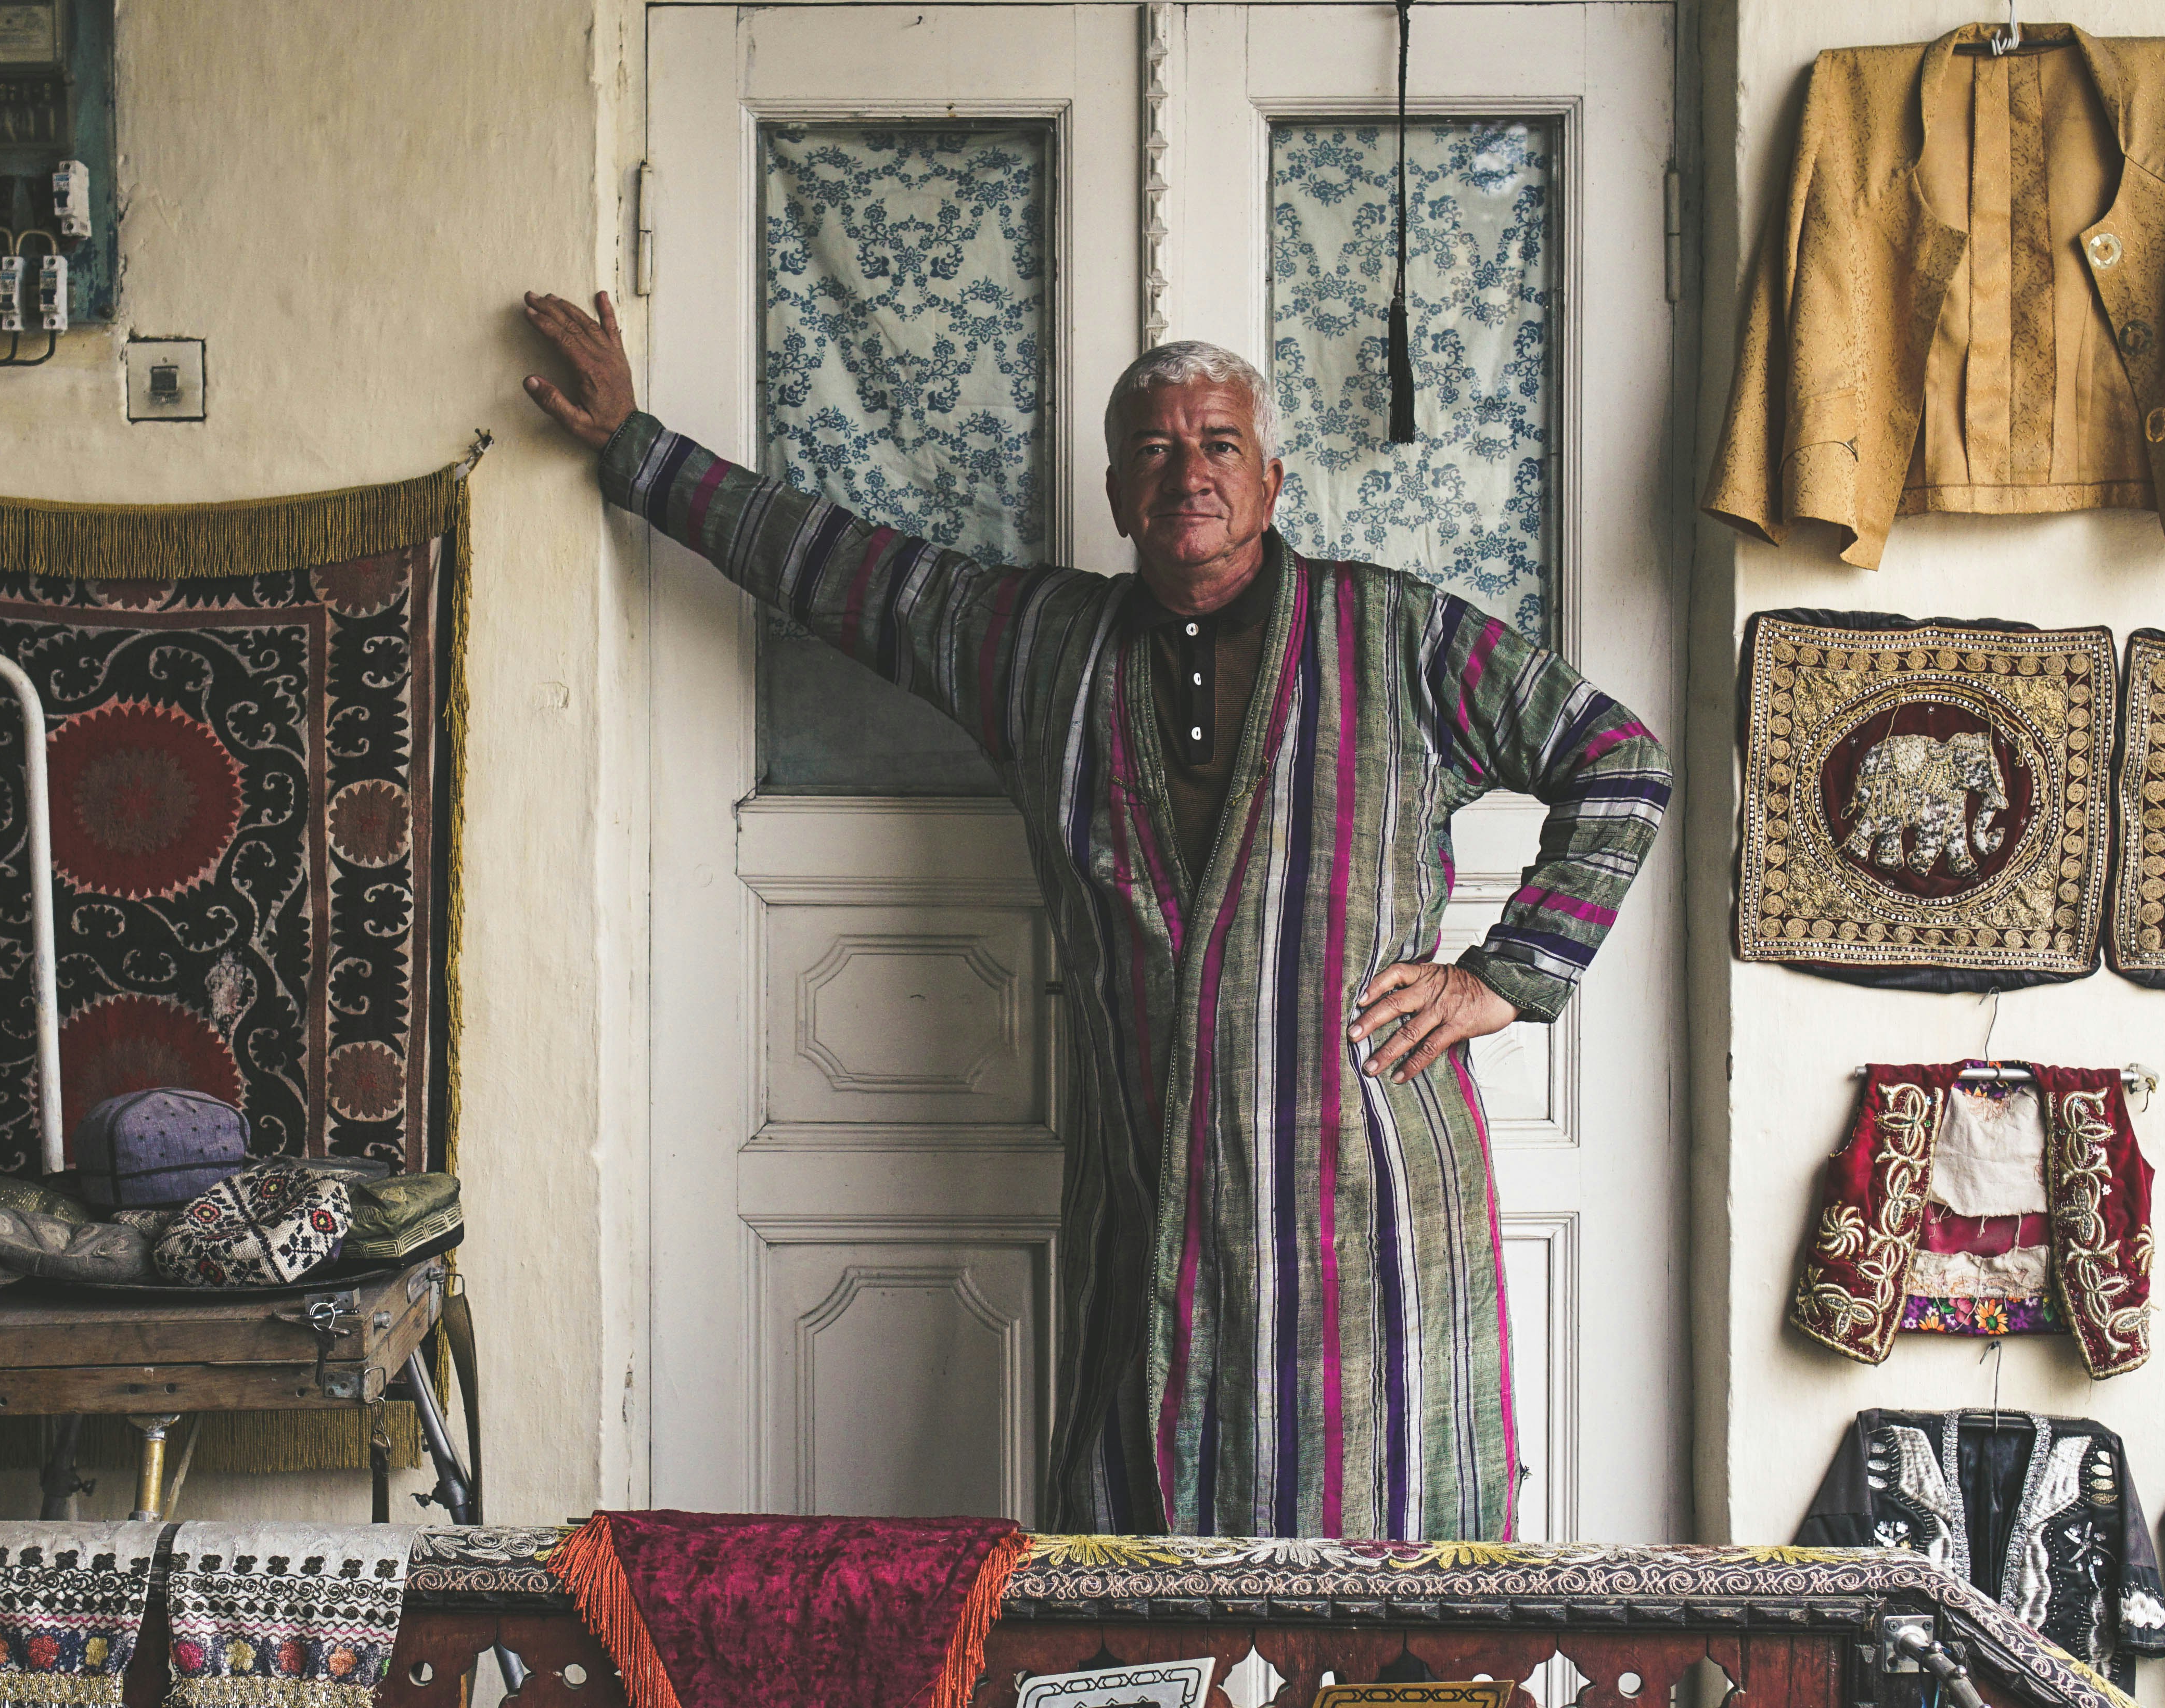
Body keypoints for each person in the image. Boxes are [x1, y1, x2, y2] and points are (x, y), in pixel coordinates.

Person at [523, 290, 1669, 1540]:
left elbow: (1617, 758)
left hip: (1371, 1199)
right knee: (1147, 1542)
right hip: (1154, 1201)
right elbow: (844, 571)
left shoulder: (1396, 634)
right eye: (1155, 450)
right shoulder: (1041, 645)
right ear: (1119, 494)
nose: (1190, 472)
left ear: (1272, 481)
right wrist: (638, 448)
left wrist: (1503, 977)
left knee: (1386, 1542)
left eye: (1220, 443)